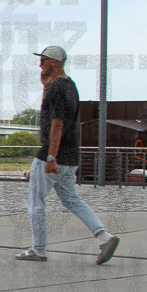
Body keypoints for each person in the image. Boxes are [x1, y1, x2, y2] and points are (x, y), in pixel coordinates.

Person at [15, 45, 120, 265]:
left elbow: (57, 124)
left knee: (36, 202)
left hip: (52, 155)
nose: (39, 64)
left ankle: (39, 249)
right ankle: (104, 237)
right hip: (71, 155)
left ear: (54, 62)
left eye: (43, 60)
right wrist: (44, 87)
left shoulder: (57, 88)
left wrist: (51, 158)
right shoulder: (69, 86)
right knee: (71, 199)